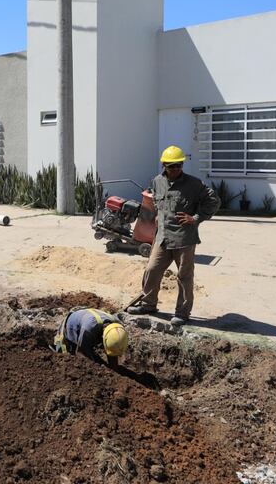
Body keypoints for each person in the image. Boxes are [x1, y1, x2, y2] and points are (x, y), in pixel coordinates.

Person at [127, 145, 220, 326]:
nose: (176, 169)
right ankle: (148, 304)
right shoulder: (157, 182)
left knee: (184, 276)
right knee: (152, 270)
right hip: (162, 237)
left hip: (184, 239)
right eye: (172, 166)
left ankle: (182, 313)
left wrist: (196, 218)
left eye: (179, 165)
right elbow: (156, 203)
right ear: (164, 165)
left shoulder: (194, 184)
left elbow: (214, 200)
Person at [52, 307, 128, 367]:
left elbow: (112, 351)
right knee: (66, 356)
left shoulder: (117, 327)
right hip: (71, 325)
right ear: (102, 338)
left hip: (86, 318)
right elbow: (81, 354)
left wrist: (114, 370)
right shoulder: (89, 329)